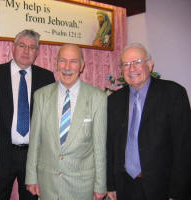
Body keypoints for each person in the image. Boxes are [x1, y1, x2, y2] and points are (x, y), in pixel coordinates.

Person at [107, 43, 191, 200]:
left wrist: (178, 192)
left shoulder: (173, 94)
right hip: (124, 185)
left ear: (150, 65)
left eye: (137, 62)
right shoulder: (114, 100)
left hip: (162, 187)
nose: (131, 69)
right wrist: (110, 184)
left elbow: (184, 147)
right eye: (126, 64)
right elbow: (110, 145)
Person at [25, 44, 107, 200]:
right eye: (62, 61)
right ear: (56, 64)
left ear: (82, 65)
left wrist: (100, 185)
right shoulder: (41, 95)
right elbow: (35, 141)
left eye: (74, 61)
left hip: (82, 186)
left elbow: (100, 147)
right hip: (47, 184)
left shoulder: (98, 98)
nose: (67, 67)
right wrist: (31, 177)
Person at [0, 29, 55, 200]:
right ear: (12, 47)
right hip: (1, 155)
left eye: (32, 47)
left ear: (37, 52)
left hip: (33, 156)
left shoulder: (47, 77)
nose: (26, 51)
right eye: (22, 45)